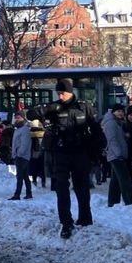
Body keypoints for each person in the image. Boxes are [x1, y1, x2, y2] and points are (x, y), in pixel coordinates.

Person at [39, 78, 103, 239]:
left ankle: (85, 218)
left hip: (81, 152)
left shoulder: (83, 107)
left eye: (63, 93)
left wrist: (98, 150)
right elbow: (32, 113)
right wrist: (46, 110)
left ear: (70, 92)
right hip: (60, 153)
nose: (60, 96)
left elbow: (95, 129)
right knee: (62, 188)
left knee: (82, 187)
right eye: (58, 93)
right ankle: (66, 222)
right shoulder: (54, 107)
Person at [103, 104, 132, 206]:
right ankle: (129, 202)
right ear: (113, 112)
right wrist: (119, 154)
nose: (121, 113)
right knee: (124, 179)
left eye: (122, 111)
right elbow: (112, 140)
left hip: (116, 155)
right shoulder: (111, 123)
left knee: (115, 181)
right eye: (118, 111)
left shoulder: (117, 122)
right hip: (116, 156)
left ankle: (112, 202)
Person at [8, 112, 32, 200]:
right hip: (19, 155)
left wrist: (19, 154)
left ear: (23, 118)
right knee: (25, 176)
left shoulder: (24, 129)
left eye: (18, 118)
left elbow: (24, 144)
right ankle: (29, 193)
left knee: (20, 176)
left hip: (22, 156)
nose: (16, 119)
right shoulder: (17, 129)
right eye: (16, 118)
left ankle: (17, 194)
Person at [28, 118, 46, 189]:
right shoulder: (44, 133)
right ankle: (43, 182)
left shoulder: (30, 133)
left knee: (34, 167)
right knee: (42, 168)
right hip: (42, 152)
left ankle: (34, 181)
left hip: (33, 153)